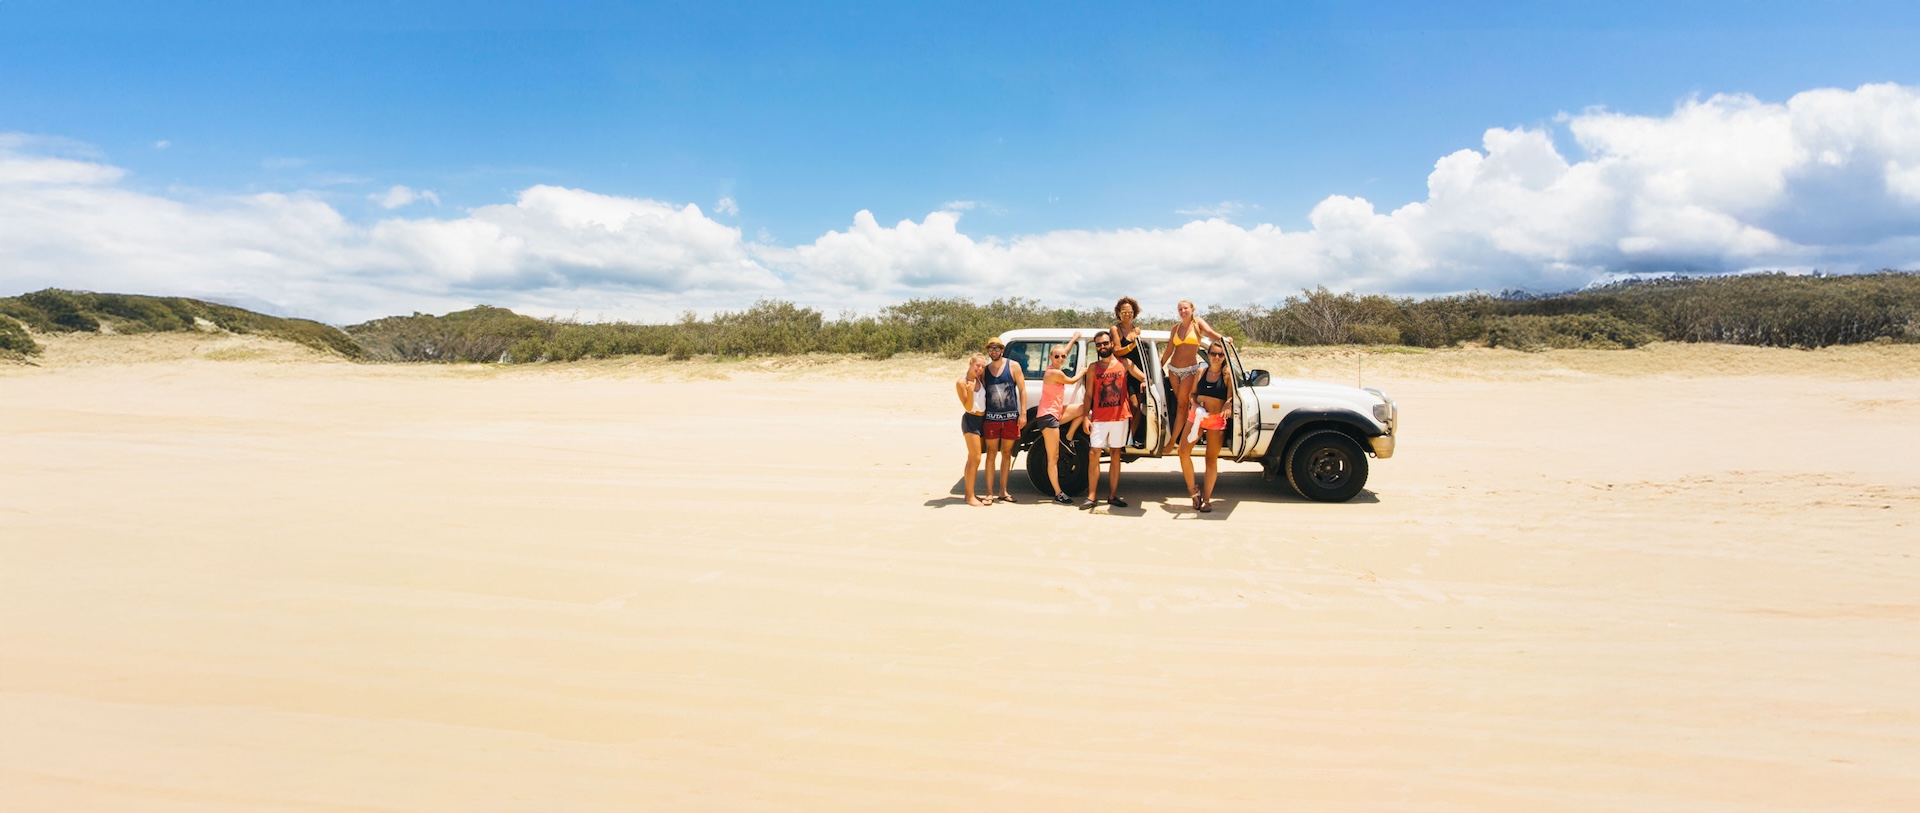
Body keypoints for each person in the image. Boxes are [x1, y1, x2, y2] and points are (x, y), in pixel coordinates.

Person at [1080, 330, 1147, 510]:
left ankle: (1112, 496)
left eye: (1105, 343)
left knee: (1116, 455)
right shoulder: (1094, 368)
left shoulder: (1124, 363)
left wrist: (1143, 382)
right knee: (1094, 453)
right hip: (1099, 418)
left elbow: (1144, 377)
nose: (1102, 347)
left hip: (1120, 417)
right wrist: (1086, 417)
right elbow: (1088, 395)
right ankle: (1091, 496)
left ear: (1111, 344)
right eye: (1099, 345)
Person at [1160, 300, 1230, 453]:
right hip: (1173, 370)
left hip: (1189, 370)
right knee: (1182, 406)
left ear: (1192, 309)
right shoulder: (1175, 328)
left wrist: (1224, 340)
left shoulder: (1197, 324)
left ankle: (1174, 441)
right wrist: (1159, 367)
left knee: (1182, 406)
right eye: (1180, 309)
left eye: (1185, 308)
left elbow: (1211, 334)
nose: (1183, 311)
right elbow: (1169, 350)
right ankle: (1181, 438)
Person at [1179, 342, 1234, 512]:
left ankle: (1207, 499)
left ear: (1224, 357)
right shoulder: (1201, 372)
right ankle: (1193, 491)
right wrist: (1194, 404)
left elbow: (1231, 398)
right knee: (1183, 451)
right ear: (1208, 354)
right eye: (1213, 353)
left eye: (1220, 354)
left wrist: (1227, 405)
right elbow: (1193, 393)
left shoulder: (1227, 376)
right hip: (1197, 416)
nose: (1216, 357)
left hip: (1216, 419)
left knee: (1210, 459)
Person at [1034, 333, 1088, 504]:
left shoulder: (1056, 366)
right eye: (1056, 356)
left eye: (1062, 356)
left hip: (1056, 412)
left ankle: (1069, 436)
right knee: (1053, 457)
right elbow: (1071, 381)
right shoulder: (1053, 373)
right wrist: (1083, 372)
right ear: (1050, 357)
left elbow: (1064, 350)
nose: (1060, 358)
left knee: (1084, 408)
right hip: (1048, 416)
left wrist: (1073, 340)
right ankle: (1058, 493)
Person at [979, 338, 1027, 504]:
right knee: (991, 454)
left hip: (1010, 418)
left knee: (1006, 453)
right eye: (990, 349)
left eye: (997, 348)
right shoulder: (985, 370)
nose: (994, 351)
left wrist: (1023, 414)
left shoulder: (1013, 366)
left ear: (1002, 349)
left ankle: (1003, 491)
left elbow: (1022, 389)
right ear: (988, 351)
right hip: (991, 418)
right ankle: (989, 493)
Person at [953, 354, 991, 507]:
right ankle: (969, 497)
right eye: (977, 366)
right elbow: (968, 407)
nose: (980, 369)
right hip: (970, 421)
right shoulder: (961, 383)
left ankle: (970, 494)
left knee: (972, 458)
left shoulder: (980, 379)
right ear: (970, 363)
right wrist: (969, 391)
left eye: (982, 367)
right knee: (975, 458)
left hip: (982, 420)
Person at [1109, 297, 1147, 448]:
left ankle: (1130, 437)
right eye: (1124, 311)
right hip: (1124, 374)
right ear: (1119, 313)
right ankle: (1124, 438)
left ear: (1134, 313)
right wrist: (1132, 345)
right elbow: (1117, 351)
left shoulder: (1136, 329)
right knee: (1132, 406)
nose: (1127, 314)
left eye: (1129, 311)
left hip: (1138, 372)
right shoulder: (1115, 329)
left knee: (1139, 408)